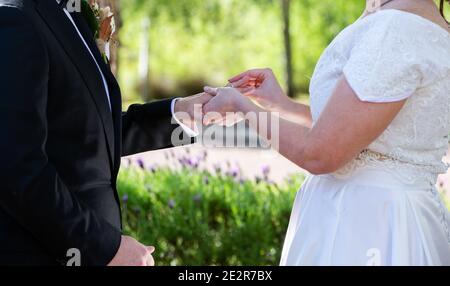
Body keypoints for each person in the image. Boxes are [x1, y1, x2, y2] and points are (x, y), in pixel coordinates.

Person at [203, 0, 450, 265]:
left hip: (361, 223)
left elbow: (320, 154)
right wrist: (283, 105)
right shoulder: (436, 29)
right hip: (404, 217)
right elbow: (373, 130)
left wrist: (241, 106)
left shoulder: (394, 28)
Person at [0, 0, 210, 266]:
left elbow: (86, 135)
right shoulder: (15, 18)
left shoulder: (67, 14)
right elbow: (17, 166)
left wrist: (182, 113)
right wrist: (103, 247)